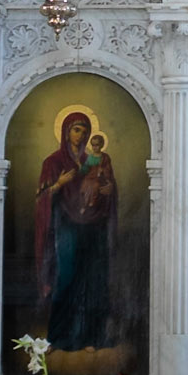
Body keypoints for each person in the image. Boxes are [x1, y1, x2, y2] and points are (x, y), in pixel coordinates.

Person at [35, 110, 117, 352]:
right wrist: (58, 184)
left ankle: (91, 337)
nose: (81, 135)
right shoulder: (53, 162)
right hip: (66, 226)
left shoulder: (97, 159)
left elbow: (108, 188)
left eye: (85, 130)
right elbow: (40, 198)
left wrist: (108, 190)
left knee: (93, 279)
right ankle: (59, 337)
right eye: (76, 129)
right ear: (65, 131)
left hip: (93, 226)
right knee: (67, 277)